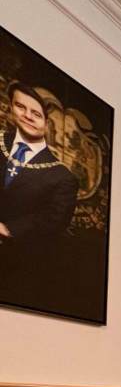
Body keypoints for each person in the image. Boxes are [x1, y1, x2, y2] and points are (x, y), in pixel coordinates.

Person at [0, 83, 79, 311]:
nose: (28, 116)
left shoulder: (62, 176)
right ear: (10, 109)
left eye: (36, 113)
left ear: (46, 123)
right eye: (20, 107)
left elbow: (55, 219)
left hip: (17, 271)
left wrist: (8, 228)